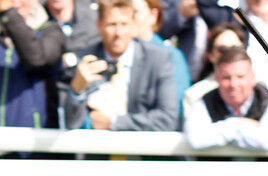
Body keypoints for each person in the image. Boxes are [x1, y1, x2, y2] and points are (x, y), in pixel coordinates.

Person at [185, 46, 268, 176]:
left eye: (240, 76)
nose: (233, 84)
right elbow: (196, 140)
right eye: (226, 77)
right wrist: (237, 123)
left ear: (252, 78)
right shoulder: (203, 102)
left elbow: (267, 141)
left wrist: (220, 131)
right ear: (217, 78)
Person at [64, 0, 179, 132]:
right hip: (98, 149)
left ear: (133, 25)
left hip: (143, 150)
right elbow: (71, 124)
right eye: (111, 25)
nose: (118, 33)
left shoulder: (158, 59)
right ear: (99, 25)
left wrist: (113, 123)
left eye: (124, 24)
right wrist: (77, 89)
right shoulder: (85, 61)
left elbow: (167, 120)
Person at [0, 0, 64, 131]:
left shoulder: (51, 31)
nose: (15, 4)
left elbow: (38, 60)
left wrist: (9, 14)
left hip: (34, 141)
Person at [133, 0, 191, 119]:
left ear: (153, 15)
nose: (129, 18)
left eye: (135, 12)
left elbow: (176, 109)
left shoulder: (171, 56)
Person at [182, 21, 247, 120]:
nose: (229, 54)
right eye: (222, 50)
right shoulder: (195, 95)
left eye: (235, 48)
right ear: (210, 55)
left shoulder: (259, 90)